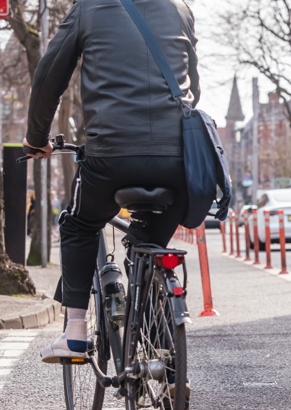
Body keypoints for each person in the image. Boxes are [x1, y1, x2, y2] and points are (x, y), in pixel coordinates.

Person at [22, 0, 199, 364]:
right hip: (180, 161)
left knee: (79, 223)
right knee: (150, 244)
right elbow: (192, 85)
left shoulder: (89, 7)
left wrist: (37, 137)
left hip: (112, 157)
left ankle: (73, 332)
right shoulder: (181, 8)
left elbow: (49, 77)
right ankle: (158, 351)